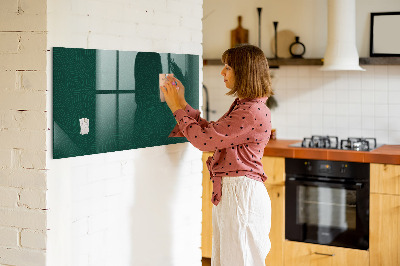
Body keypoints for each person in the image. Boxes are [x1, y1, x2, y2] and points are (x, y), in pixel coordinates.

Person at [161, 44, 273, 266]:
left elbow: (204, 141)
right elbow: (212, 133)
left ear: (244, 72)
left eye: (228, 67)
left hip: (241, 195)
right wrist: (182, 103)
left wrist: (176, 107)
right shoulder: (246, 106)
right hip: (236, 193)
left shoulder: (250, 111)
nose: (222, 72)